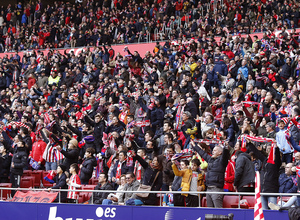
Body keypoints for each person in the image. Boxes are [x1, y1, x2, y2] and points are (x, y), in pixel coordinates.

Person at [191, 140, 229, 208]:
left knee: (218, 210)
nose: (212, 151)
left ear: (220, 152)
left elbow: (225, 155)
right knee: (209, 210)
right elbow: (203, 153)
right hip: (208, 188)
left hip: (217, 188)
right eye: (213, 150)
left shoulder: (222, 161)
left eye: (215, 150)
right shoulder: (210, 159)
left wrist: (225, 147)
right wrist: (195, 146)